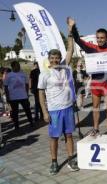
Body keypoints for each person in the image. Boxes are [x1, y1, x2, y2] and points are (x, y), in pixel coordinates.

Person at [38, 18, 79, 175]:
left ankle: (70, 159)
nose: (55, 60)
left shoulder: (65, 67)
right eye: (52, 58)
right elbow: (41, 94)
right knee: (54, 137)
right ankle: (54, 162)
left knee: (69, 135)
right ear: (49, 60)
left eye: (57, 57)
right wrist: (45, 112)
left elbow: (70, 49)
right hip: (54, 111)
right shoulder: (44, 74)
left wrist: (70, 30)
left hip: (67, 107)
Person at [70, 17, 107, 140]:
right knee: (95, 107)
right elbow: (78, 40)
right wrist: (73, 27)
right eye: (98, 38)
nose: (100, 40)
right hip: (96, 83)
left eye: (102, 37)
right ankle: (96, 129)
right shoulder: (92, 49)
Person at [4, 61, 33, 130]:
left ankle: (31, 122)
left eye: (19, 65)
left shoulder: (23, 74)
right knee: (15, 113)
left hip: (23, 96)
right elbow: (5, 86)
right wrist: (8, 97)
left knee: (27, 110)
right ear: (13, 66)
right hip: (13, 97)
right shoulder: (9, 75)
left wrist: (27, 93)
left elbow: (26, 84)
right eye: (17, 65)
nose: (19, 66)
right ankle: (16, 126)